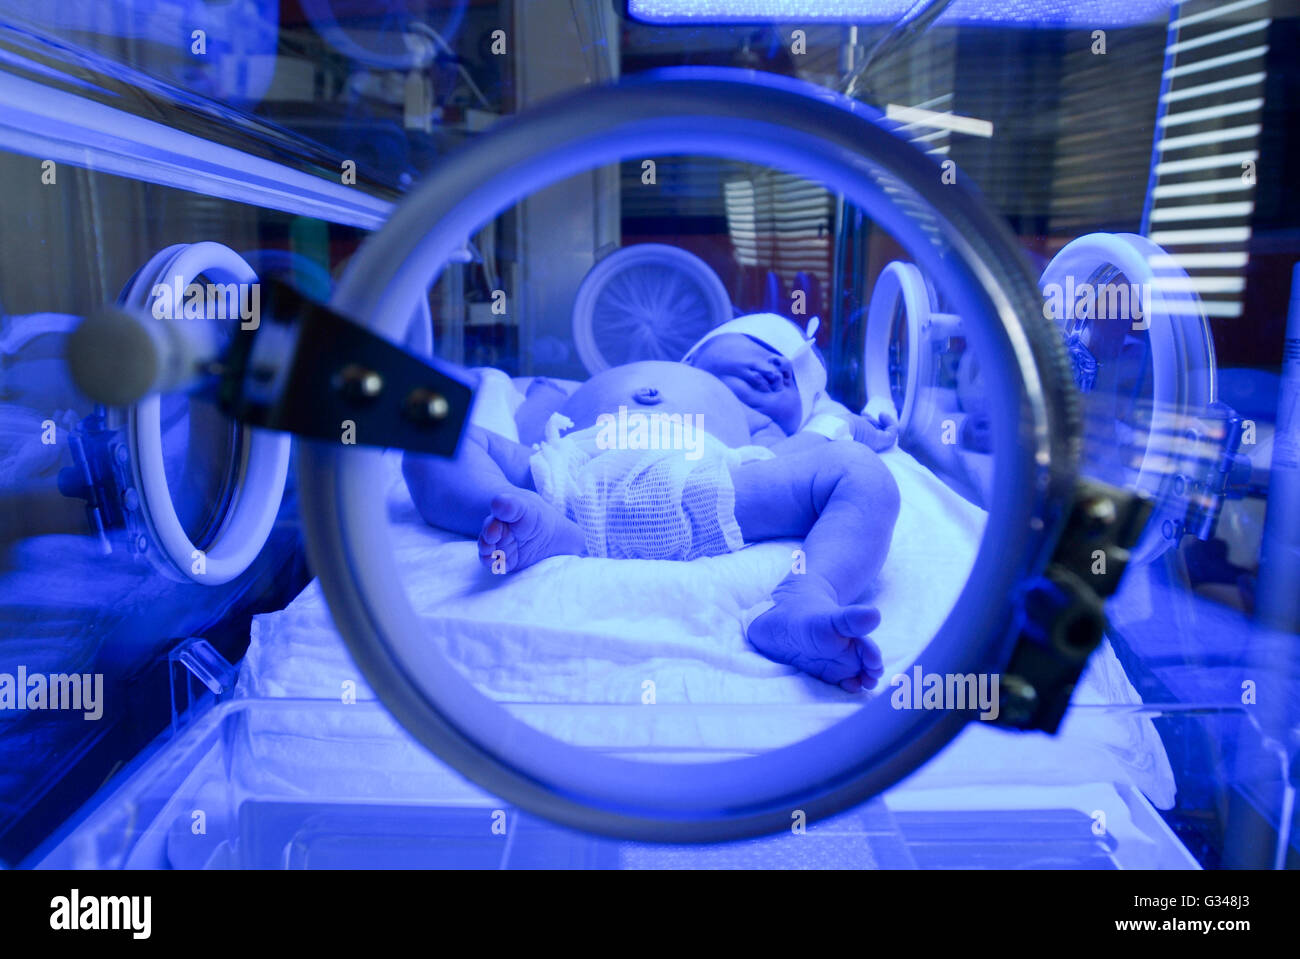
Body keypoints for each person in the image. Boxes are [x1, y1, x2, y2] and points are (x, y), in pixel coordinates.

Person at [403, 316, 900, 692]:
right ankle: (528, 517)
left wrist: (837, 428)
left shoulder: (752, 421)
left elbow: (783, 459)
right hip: (564, 470)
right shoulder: (594, 388)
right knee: (437, 437)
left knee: (861, 471)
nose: (780, 367)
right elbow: (534, 428)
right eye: (769, 346)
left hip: (707, 482)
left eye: (794, 380)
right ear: (698, 352)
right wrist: (542, 395)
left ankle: (805, 595)